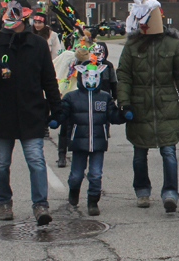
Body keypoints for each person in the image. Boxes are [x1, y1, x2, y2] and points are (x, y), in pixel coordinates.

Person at [0, 0, 61, 225]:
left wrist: (57, 109)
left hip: (31, 112)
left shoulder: (38, 44)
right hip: (3, 113)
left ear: (25, 15)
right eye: (8, 11)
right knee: (2, 162)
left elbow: (49, 80)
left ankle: (40, 205)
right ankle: (4, 202)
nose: (11, 15)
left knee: (36, 160)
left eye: (16, 11)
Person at [117, 0, 179, 213]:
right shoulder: (132, 46)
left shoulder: (172, 44)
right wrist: (125, 103)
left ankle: (170, 193)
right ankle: (142, 190)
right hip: (139, 107)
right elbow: (124, 76)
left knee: (169, 152)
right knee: (140, 153)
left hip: (166, 106)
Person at [48, 55, 127, 216]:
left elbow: (112, 115)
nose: (91, 80)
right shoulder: (72, 97)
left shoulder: (104, 97)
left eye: (94, 77)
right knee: (77, 174)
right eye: (87, 77)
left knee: (95, 174)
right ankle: (74, 192)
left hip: (98, 142)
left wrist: (124, 115)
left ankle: (93, 201)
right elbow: (63, 113)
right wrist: (55, 120)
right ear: (81, 76)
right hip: (79, 143)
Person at [53, 32, 95, 167]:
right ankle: (61, 155)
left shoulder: (91, 66)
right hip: (68, 98)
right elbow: (55, 68)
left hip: (83, 100)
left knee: (83, 128)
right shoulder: (67, 59)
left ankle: (83, 154)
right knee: (65, 127)